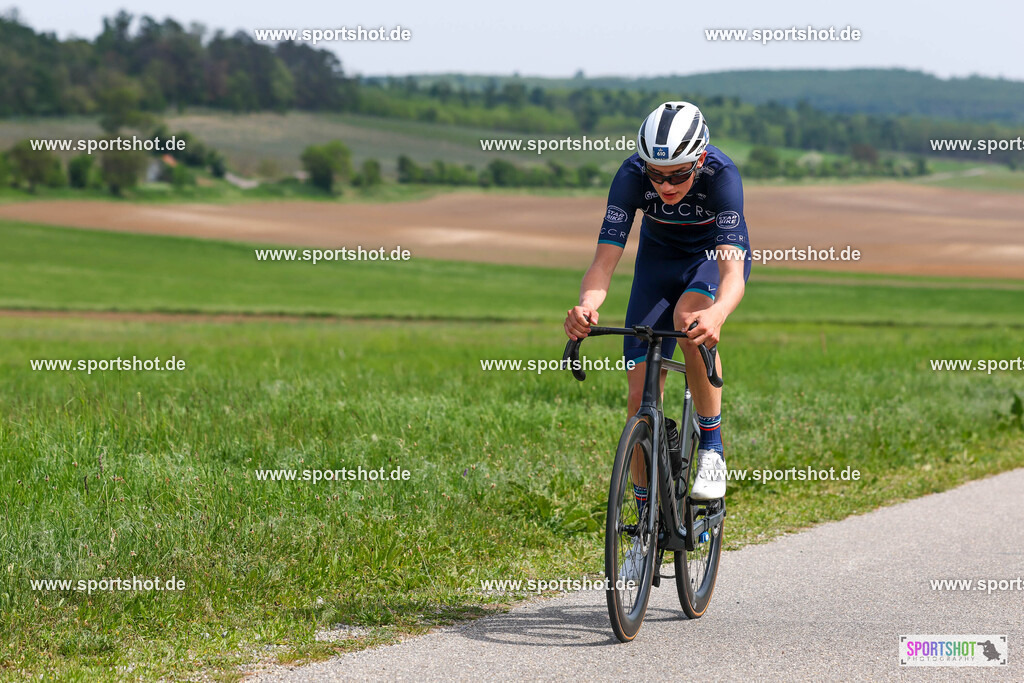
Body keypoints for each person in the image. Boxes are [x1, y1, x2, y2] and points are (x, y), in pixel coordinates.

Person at [563, 102, 751, 576]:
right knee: (638, 392)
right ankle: (645, 522)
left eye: (678, 175)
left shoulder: (721, 176)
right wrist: (587, 305)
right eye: (657, 174)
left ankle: (711, 448)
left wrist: (719, 314)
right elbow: (605, 260)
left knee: (691, 319)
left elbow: (733, 272)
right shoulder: (630, 176)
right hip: (657, 262)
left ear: (701, 161)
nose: (665, 185)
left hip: (710, 260)